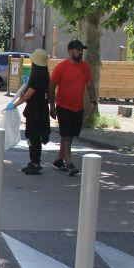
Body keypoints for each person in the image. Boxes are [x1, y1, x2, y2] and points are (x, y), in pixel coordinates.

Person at [49, 39, 97, 176]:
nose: (80, 52)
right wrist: (52, 106)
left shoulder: (85, 67)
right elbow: (52, 87)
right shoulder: (62, 67)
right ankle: (69, 164)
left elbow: (89, 85)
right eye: (78, 49)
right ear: (70, 51)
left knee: (70, 135)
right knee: (66, 135)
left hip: (78, 107)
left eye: (82, 49)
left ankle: (58, 160)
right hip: (64, 106)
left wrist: (93, 100)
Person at [7, 48, 51, 175]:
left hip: (35, 112)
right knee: (34, 137)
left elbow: (28, 95)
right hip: (41, 110)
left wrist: (14, 105)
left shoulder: (37, 75)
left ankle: (35, 163)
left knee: (32, 137)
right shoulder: (45, 74)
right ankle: (34, 162)